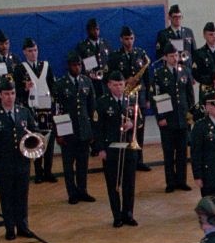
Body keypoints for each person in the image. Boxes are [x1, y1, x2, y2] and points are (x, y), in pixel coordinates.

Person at [0, 76, 37, 240]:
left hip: (22, 161)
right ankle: (9, 228)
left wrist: (33, 148)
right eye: (6, 93)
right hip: (3, 162)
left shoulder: (24, 112)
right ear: (0, 95)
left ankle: (23, 226)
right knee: (6, 196)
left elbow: (34, 133)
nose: (10, 97)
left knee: (22, 195)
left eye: (12, 93)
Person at [95, 70, 139, 228]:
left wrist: (132, 124)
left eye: (121, 84)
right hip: (111, 148)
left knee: (129, 184)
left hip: (128, 147)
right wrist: (100, 148)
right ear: (109, 85)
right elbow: (98, 128)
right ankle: (117, 215)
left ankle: (128, 213)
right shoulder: (102, 102)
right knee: (113, 185)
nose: (119, 88)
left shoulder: (131, 99)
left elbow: (138, 119)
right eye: (115, 85)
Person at [54, 52, 97, 205]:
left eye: (79, 65)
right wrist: (58, 133)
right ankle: (72, 193)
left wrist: (92, 130)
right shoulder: (60, 83)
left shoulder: (86, 81)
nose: (77, 68)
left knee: (83, 163)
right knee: (68, 164)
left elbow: (93, 107)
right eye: (74, 65)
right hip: (67, 130)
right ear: (68, 66)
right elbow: (57, 110)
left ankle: (83, 190)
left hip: (84, 128)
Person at [110, 27, 153, 173]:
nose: (129, 42)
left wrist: (147, 99)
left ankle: (139, 160)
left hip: (139, 96)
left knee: (139, 129)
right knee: (125, 128)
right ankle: (126, 158)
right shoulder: (115, 56)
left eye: (131, 38)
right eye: (126, 39)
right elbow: (110, 75)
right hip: (124, 96)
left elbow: (147, 77)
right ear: (121, 39)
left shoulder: (141, 54)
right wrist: (125, 79)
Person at [153, 46, 194, 193]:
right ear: (165, 57)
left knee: (182, 152)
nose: (174, 58)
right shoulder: (159, 74)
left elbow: (189, 95)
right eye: (171, 56)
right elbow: (157, 97)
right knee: (169, 152)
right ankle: (170, 182)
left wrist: (190, 114)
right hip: (168, 118)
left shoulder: (184, 71)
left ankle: (181, 181)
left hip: (182, 117)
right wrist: (161, 117)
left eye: (176, 55)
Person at [18, 37, 59, 184]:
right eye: (30, 51)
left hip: (46, 107)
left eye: (35, 50)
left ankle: (48, 171)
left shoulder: (45, 66)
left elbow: (53, 85)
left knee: (49, 140)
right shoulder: (20, 68)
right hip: (31, 108)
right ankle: (38, 172)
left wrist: (54, 103)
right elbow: (14, 90)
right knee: (35, 139)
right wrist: (24, 88)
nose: (33, 53)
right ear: (24, 52)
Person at [189, 88, 215, 200]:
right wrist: (197, 176)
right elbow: (196, 153)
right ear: (207, 107)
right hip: (209, 175)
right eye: (214, 105)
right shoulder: (200, 127)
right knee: (211, 206)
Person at [75, 18, 111, 101]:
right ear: (88, 31)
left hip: (105, 83)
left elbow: (110, 61)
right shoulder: (82, 46)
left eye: (97, 29)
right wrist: (88, 75)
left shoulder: (105, 44)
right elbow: (79, 66)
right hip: (91, 83)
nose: (96, 32)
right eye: (93, 30)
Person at [155, 3, 196, 71]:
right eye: (175, 17)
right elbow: (159, 55)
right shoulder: (163, 34)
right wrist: (172, 58)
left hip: (187, 69)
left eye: (179, 17)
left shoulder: (188, 32)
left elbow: (194, 53)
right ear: (169, 17)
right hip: (171, 69)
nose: (178, 19)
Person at [191, 22, 215, 95]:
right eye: (210, 34)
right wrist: (212, 79)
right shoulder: (199, 53)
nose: (214, 37)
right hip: (207, 90)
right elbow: (196, 74)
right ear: (204, 36)